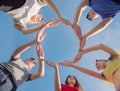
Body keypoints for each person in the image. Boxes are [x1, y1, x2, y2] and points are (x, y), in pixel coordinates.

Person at [0, 0, 71, 34]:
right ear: (39, 13)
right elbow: (47, 1)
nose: (39, 19)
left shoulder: (23, 22)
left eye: (39, 21)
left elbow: (25, 31)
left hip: (5, 5)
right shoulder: (38, 5)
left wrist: (44, 25)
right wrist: (60, 17)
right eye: (40, 17)